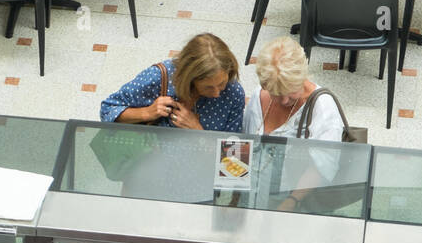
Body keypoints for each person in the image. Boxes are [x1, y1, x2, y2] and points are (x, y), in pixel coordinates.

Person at [242, 37, 344, 209]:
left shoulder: (323, 108)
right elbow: (242, 144)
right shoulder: (259, 95)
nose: (284, 100)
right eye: (276, 93)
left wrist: (292, 201)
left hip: (290, 204)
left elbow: (323, 165)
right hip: (250, 199)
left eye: (291, 91)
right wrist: (234, 197)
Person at [100, 32, 246, 132]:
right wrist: (146, 112)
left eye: (222, 84)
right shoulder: (158, 77)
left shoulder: (234, 93)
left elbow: (233, 157)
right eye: (208, 87)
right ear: (190, 79)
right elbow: (107, 110)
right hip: (147, 164)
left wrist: (198, 131)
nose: (216, 93)